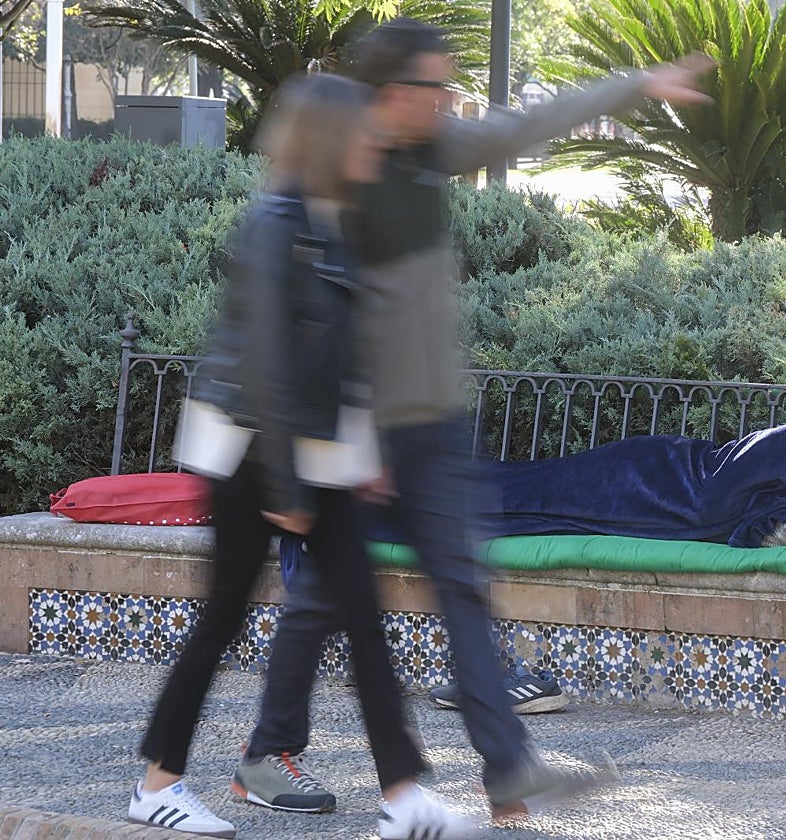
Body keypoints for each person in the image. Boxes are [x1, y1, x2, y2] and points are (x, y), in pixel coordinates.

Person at [229, 17, 714, 825]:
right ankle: (266, 751)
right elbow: (308, 320)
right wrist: (354, 432)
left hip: (436, 426)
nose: (453, 98)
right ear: (393, 94)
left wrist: (635, 86)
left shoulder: (431, 154)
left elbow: (526, 122)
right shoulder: (341, 172)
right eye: (437, 85)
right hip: (363, 429)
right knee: (325, 597)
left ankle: (507, 771)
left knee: (463, 584)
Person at [126, 73, 474, 840]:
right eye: (364, 133)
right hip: (257, 452)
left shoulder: (332, 219)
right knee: (220, 620)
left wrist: (366, 447)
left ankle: (406, 798)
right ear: (329, 140)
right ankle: (157, 784)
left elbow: (345, 354)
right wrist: (285, 483)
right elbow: (265, 365)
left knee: (363, 618)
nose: (377, 142)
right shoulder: (276, 222)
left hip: (317, 451)